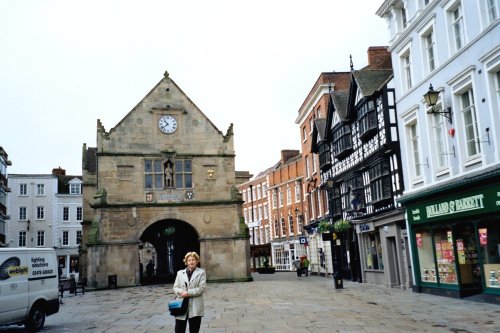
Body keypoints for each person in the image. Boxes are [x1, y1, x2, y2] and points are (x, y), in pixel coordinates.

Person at [173, 251, 207, 333]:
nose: (191, 262)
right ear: (186, 262)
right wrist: (182, 293)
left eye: (193, 260)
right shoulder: (180, 273)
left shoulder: (201, 272)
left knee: (194, 330)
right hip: (181, 304)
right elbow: (175, 287)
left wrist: (188, 293)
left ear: (197, 261)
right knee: (179, 330)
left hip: (195, 305)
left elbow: (201, 288)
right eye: (189, 260)